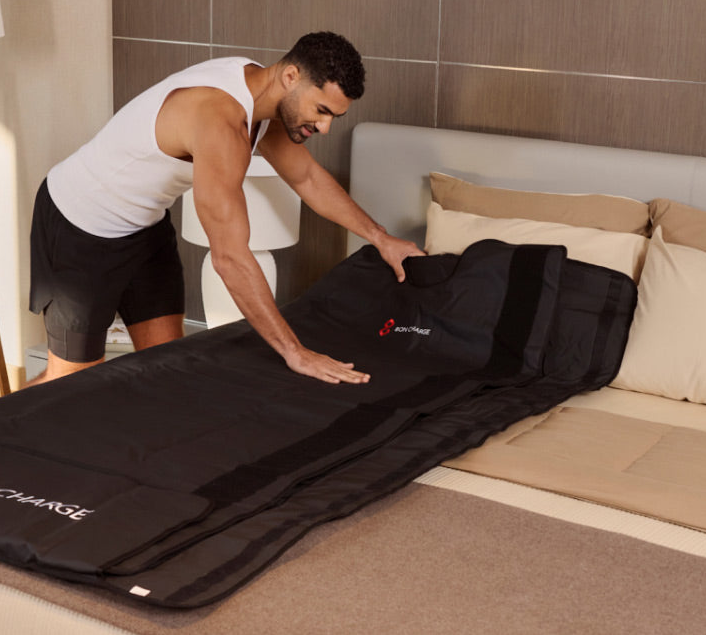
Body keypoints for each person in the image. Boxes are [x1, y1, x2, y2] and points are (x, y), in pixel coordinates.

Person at [27, 31, 424, 388]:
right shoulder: (221, 121)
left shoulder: (263, 97)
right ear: (290, 77)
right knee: (69, 388)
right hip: (78, 225)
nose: (325, 128)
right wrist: (294, 352)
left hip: (144, 230)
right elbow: (230, 258)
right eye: (321, 110)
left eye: (334, 117)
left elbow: (307, 179)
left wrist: (380, 238)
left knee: (166, 371)